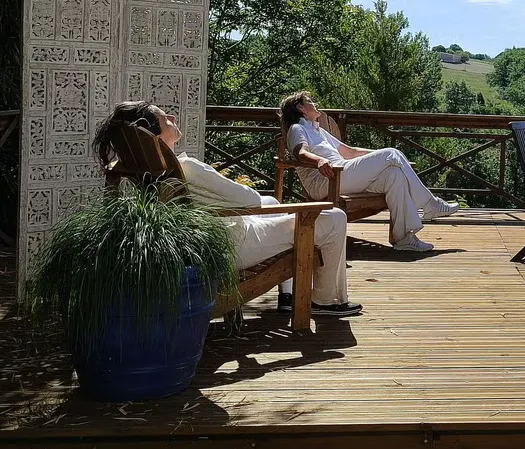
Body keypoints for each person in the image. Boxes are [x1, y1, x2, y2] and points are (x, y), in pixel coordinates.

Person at [92, 101, 362, 318]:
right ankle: (325, 301)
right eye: (166, 118)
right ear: (156, 134)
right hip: (235, 244)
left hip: (211, 236)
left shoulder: (152, 168)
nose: (173, 117)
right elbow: (250, 199)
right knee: (334, 217)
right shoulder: (189, 167)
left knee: (273, 203)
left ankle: (287, 296)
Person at [281, 91, 459, 252]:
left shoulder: (317, 130)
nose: (316, 104)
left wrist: (385, 157)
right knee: (391, 154)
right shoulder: (298, 128)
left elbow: (350, 152)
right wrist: (319, 160)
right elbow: (301, 152)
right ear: (301, 108)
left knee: (394, 175)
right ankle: (430, 205)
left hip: (341, 175)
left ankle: (403, 238)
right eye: (311, 101)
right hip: (325, 180)